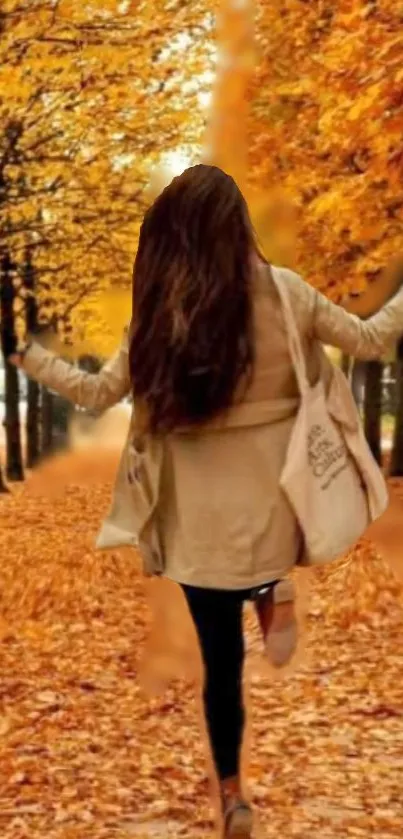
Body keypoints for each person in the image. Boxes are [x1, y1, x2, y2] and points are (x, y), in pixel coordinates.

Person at [4, 164, 403, 838]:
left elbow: (97, 393)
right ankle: (271, 589)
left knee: (222, 661)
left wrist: (25, 354)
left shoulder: (159, 316)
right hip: (276, 502)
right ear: (235, 226)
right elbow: (369, 340)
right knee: (263, 562)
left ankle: (230, 793)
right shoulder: (284, 292)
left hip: (196, 524)